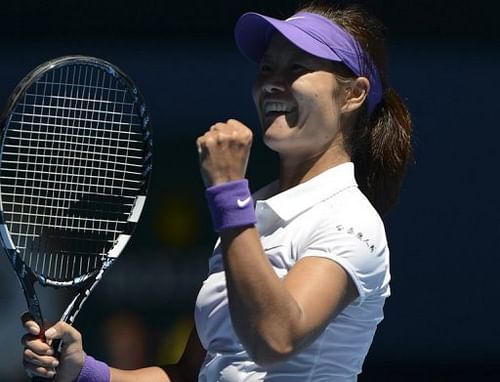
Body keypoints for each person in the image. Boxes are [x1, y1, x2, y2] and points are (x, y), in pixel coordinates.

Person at [21, 3, 412, 381]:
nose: (272, 82)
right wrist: (83, 371)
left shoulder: (349, 220)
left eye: (297, 68)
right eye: (266, 68)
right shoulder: (250, 214)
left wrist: (228, 192)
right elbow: (193, 374)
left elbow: (276, 340)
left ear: (352, 95)